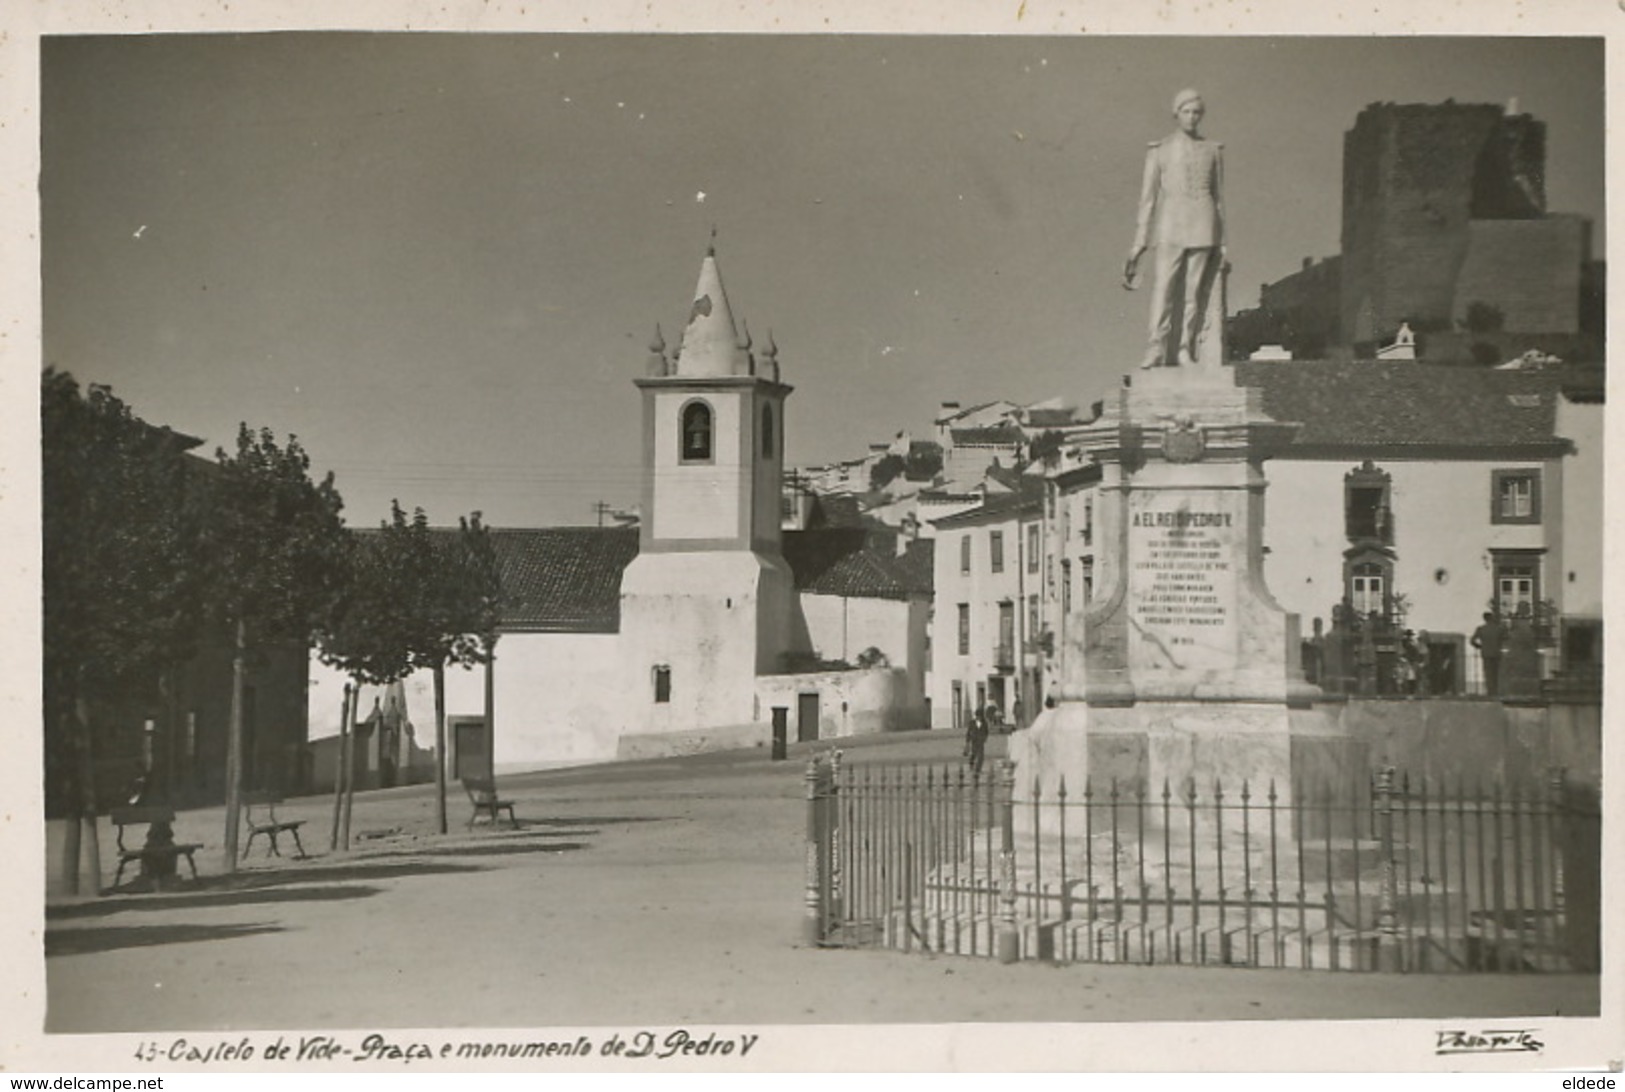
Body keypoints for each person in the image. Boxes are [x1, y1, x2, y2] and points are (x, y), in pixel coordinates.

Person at [1124, 88, 1225, 369]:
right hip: (1170, 224)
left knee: (1193, 293)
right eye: (1186, 112)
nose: (1192, 118)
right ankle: (1155, 346)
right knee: (1163, 288)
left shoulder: (1213, 150)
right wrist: (1139, 243)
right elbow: (1147, 199)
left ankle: (1184, 349)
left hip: (1204, 224)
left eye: (1196, 113)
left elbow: (1219, 199)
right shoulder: (1160, 150)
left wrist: (1223, 239)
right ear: (1176, 113)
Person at [1471, 611, 1507, 696]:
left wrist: (1479, 646)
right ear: (1492, 618)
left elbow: (1472, 640)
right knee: (1497, 673)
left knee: (1488, 673)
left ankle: (1490, 691)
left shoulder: (1481, 629)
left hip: (1486, 653)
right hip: (1497, 653)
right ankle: (1497, 691)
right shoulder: (1499, 629)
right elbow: (1506, 638)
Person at [965, 709, 989, 777]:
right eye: (978, 716)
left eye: (980, 716)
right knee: (974, 754)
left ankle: (978, 769)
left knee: (981, 756)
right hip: (974, 741)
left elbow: (986, 731)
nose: (979, 718)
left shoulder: (984, 723)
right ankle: (972, 765)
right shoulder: (972, 723)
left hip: (980, 741)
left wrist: (985, 738)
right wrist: (967, 741)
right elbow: (968, 732)